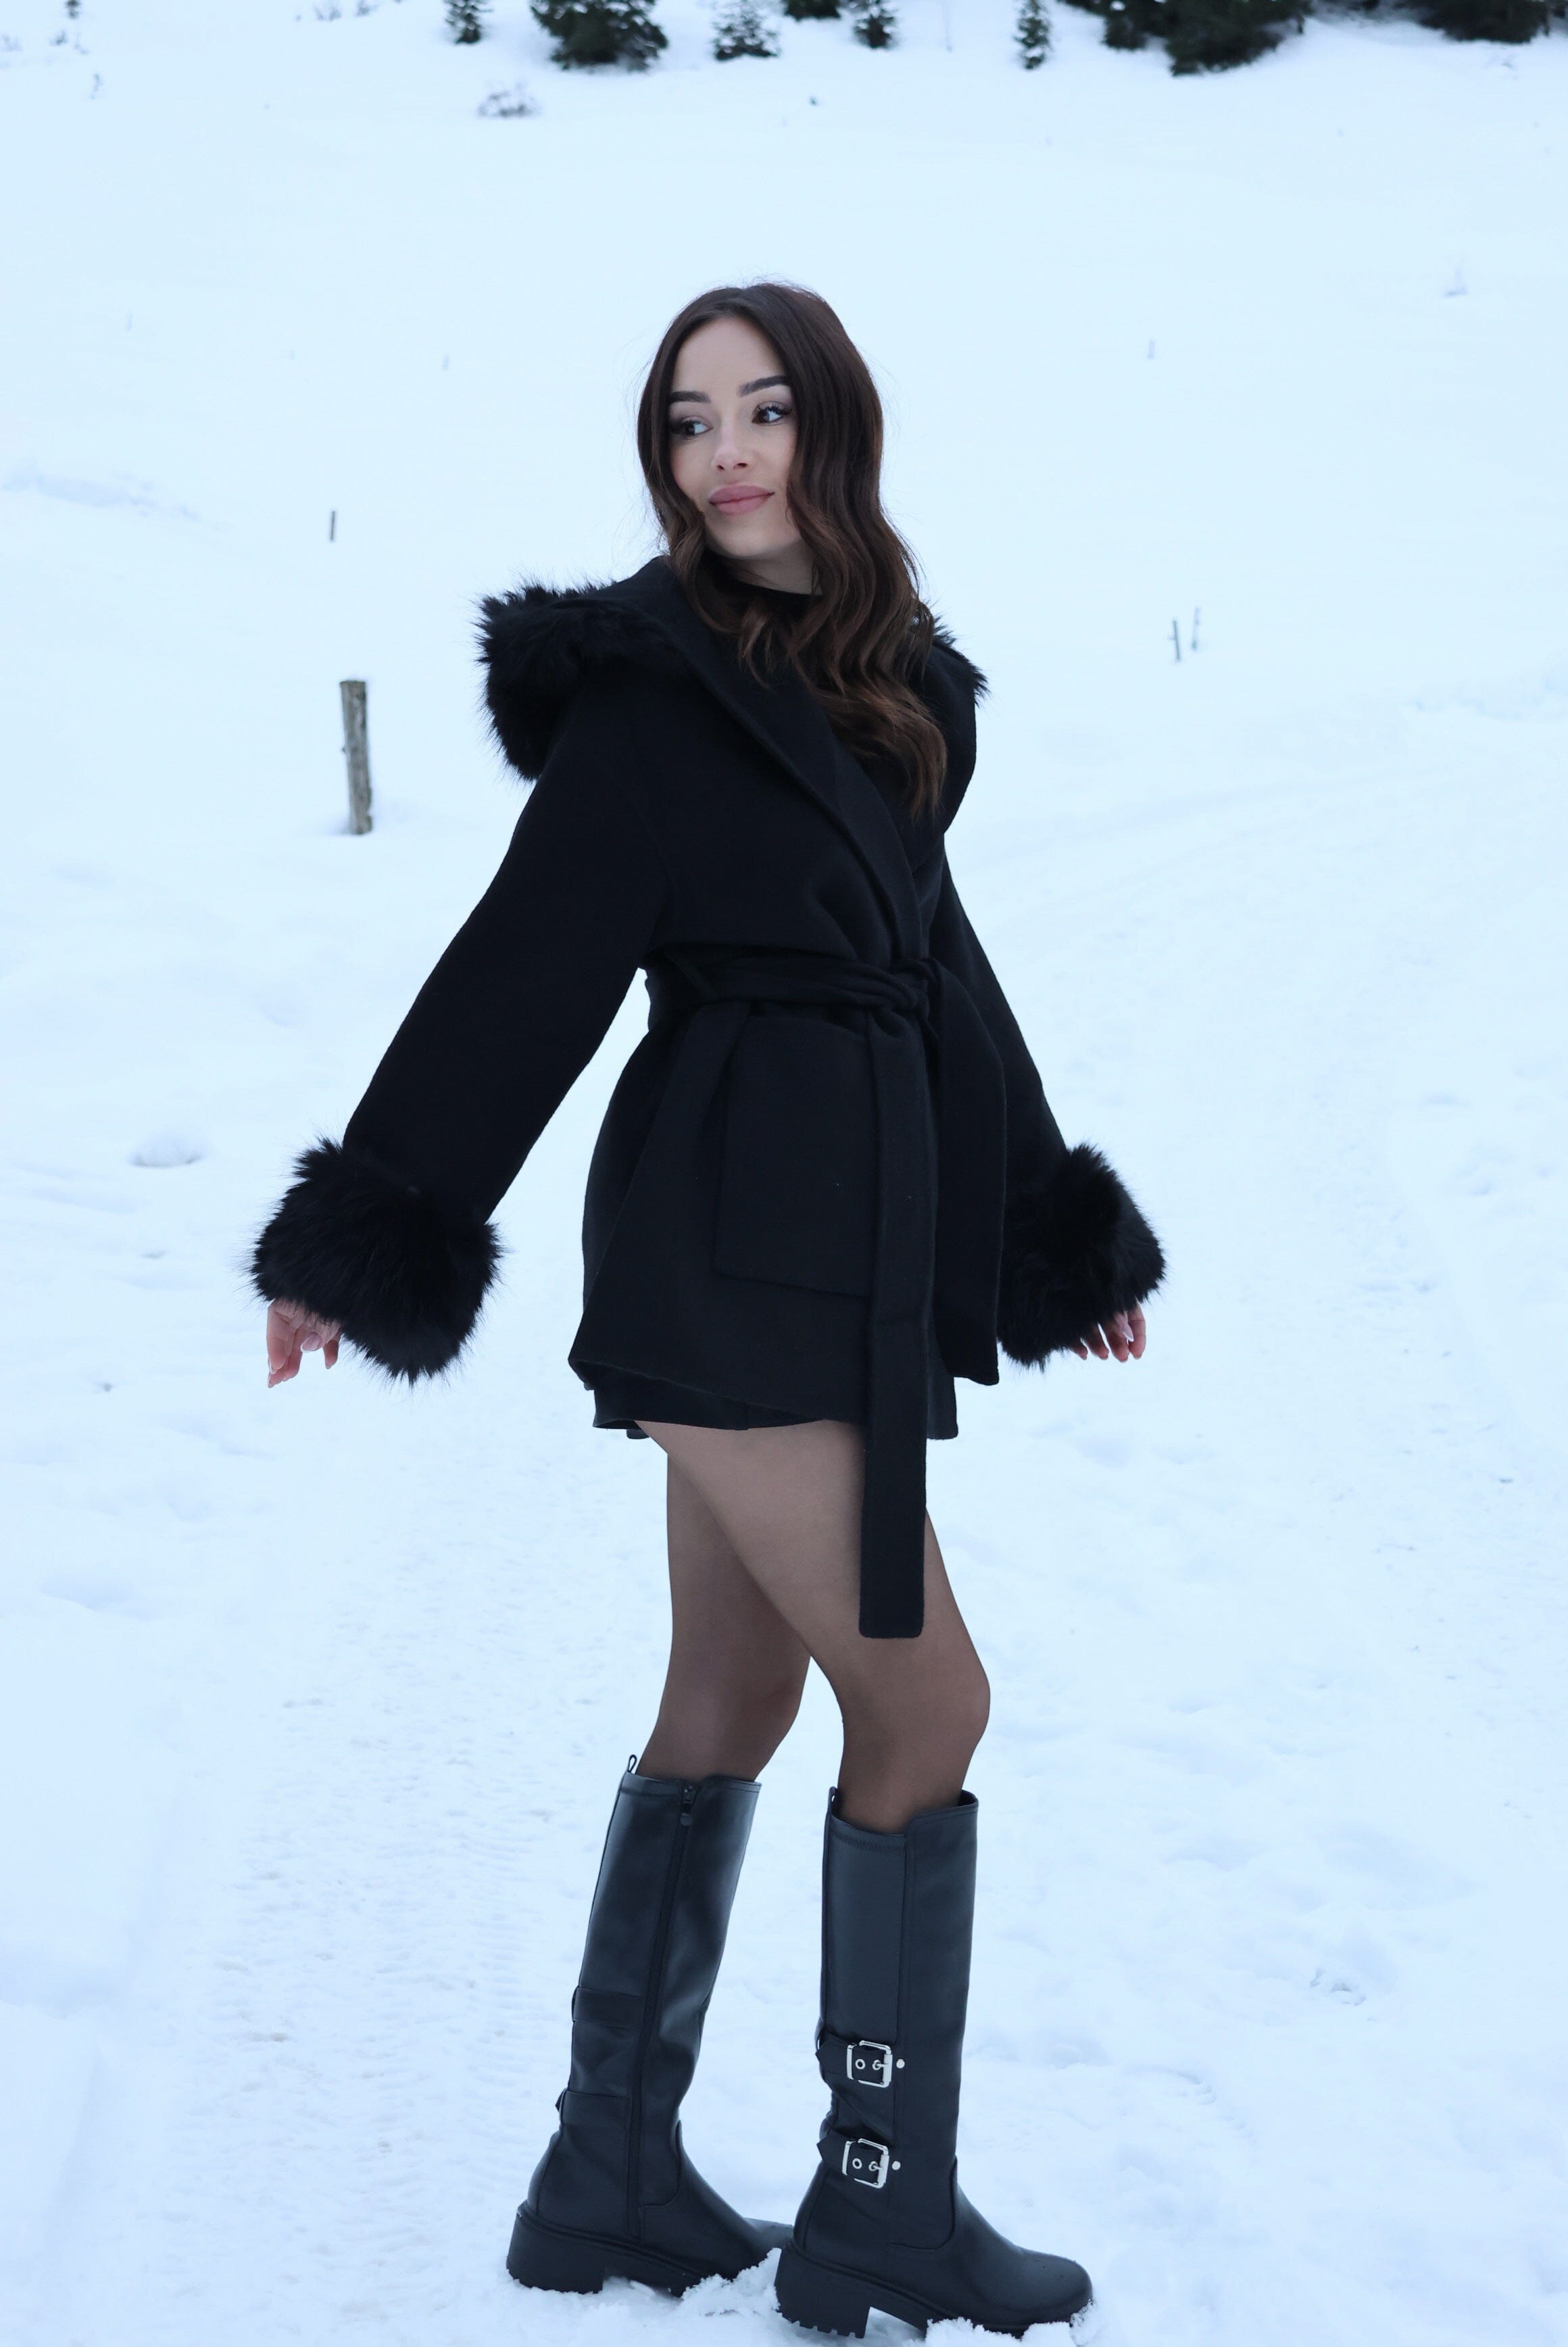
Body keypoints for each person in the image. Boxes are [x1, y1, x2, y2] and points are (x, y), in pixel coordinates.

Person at [253, 281, 1162, 2339]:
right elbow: (525, 966)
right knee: (929, 1705)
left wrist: (1047, 1229)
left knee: (737, 1700)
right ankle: (882, 2211)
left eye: (761, 412)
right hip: (728, 1239)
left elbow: (942, 974)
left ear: (832, 429)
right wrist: (368, 1229)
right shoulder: (652, 693)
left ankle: (608, 2175)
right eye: (688, 420)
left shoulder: (884, 687)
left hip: (848, 1238)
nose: (726, 453)